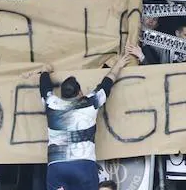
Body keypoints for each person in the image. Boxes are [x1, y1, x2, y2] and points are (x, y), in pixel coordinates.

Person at [34, 52, 130, 190]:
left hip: (57, 167)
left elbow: (44, 88)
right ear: (79, 93)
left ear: (62, 94)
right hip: (83, 167)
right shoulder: (89, 103)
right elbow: (106, 84)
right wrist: (118, 65)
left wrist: (45, 71)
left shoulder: (52, 104)